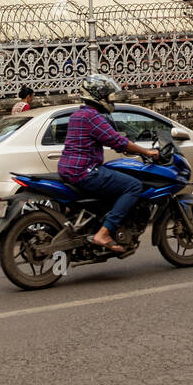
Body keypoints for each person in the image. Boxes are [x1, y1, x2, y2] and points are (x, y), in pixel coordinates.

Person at [57, 76, 156, 253]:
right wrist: (147, 152)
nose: (111, 100)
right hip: (84, 172)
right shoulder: (92, 117)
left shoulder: (77, 115)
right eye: (108, 96)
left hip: (69, 169)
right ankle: (103, 233)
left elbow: (103, 140)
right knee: (133, 186)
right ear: (98, 96)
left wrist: (125, 147)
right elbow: (116, 140)